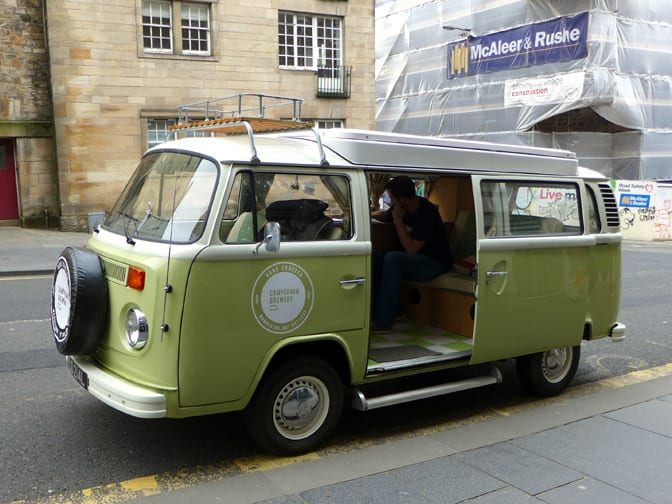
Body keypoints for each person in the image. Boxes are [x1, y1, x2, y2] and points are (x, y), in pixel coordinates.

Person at [371, 176, 452, 332]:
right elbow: (386, 215)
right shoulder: (402, 208)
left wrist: (398, 220)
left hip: (434, 262)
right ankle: (388, 310)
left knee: (392, 259)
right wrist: (367, 215)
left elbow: (411, 249)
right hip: (416, 260)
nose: (391, 202)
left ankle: (384, 321)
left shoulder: (427, 213)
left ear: (401, 200)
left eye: (392, 199)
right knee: (375, 259)